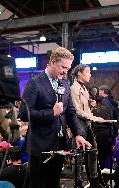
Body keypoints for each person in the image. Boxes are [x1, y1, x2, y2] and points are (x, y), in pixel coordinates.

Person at [19, 47, 91, 188]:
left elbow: (70, 111)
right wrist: (51, 113)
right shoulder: (34, 83)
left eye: (68, 68)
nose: (65, 71)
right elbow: (23, 113)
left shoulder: (65, 83)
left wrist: (77, 134)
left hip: (59, 145)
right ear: (52, 62)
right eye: (63, 67)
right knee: (38, 185)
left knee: (54, 183)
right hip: (39, 146)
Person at [70, 64, 105, 188]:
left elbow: (84, 109)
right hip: (78, 125)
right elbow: (77, 111)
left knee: (93, 152)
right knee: (79, 156)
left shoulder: (84, 88)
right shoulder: (74, 88)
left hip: (86, 124)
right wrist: (95, 118)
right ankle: (78, 182)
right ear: (79, 73)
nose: (90, 74)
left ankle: (94, 181)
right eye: (87, 72)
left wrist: (90, 105)